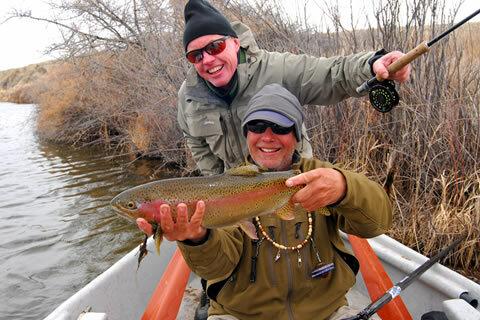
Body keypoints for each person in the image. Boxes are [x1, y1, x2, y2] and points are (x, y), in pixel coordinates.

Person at [138, 83, 392, 320]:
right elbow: (217, 268)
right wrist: (196, 239)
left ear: (296, 135)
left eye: (280, 128)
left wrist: (345, 187)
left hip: (325, 312)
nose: (267, 137)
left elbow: (377, 224)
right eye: (257, 127)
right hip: (239, 314)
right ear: (246, 134)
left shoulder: (320, 177)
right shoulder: (227, 189)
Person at [177, 0, 411, 176]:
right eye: (195, 55)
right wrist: (217, 187)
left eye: (215, 47)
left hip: (292, 187)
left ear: (235, 43)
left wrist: (371, 65)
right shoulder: (188, 96)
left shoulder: (276, 68)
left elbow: (331, 74)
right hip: (238, 199)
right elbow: (196, 143)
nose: (207, 59)